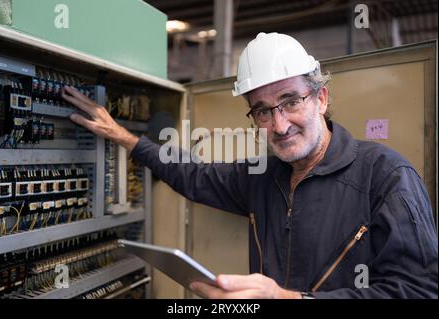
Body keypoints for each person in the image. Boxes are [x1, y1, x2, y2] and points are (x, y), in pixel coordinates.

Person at [62, 32, 438, 299]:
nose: (278, 125)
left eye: (291, 101)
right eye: (262, 110)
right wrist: (126, 139)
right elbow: (193, 175)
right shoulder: (263, 177)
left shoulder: (386, 176)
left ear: (321, 98)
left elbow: (420, 290)